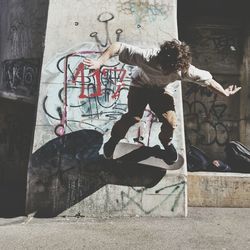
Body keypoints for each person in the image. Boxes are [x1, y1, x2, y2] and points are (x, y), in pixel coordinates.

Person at [83, 39, 241, 164]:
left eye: (173, 71)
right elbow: (118, 47)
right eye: (167, 69)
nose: (169, 72)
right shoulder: (146, 56)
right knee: (133, 117)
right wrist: (100, 62)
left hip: (162, 91)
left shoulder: (185, 70)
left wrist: (225, 93)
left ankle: (166, 143)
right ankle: (113, 141)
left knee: (170, 121)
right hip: (140, 86)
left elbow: (209, 81)